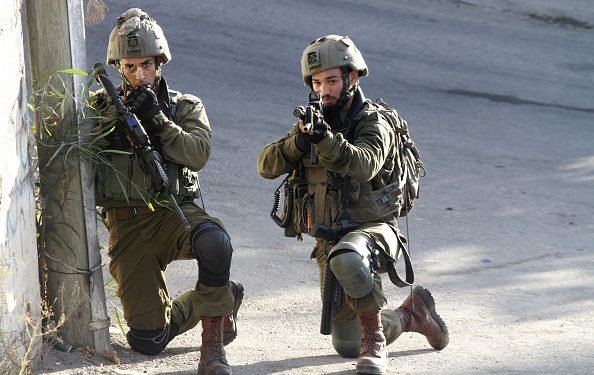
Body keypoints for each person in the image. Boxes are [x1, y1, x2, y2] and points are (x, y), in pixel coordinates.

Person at [257, 34, 449, 374]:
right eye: (317, 83)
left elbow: (363, 165)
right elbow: (265, 166)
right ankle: (412, 315)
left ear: (352, 77)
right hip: (329, 237)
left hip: (373, 230)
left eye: (331, 80)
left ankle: (375, 345)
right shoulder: (315, 121)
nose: (323, 90)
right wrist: (301, 140)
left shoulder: (374, 121)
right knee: (346, 344)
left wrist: (326, 140)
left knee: (346, 257)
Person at [92, 8, 242, 374]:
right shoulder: (99, 107)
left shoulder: (184, 106)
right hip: (126, 226)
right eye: (130, 67)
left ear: (160, 62)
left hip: (173, 213)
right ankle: (223, 297)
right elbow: (82, 152)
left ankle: (213, 347)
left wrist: (159, 121)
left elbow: (198, 153)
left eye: (146, 65)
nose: (139, 75)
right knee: (148, 340)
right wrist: (117, 121)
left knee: (215, 243)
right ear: (118, 68)